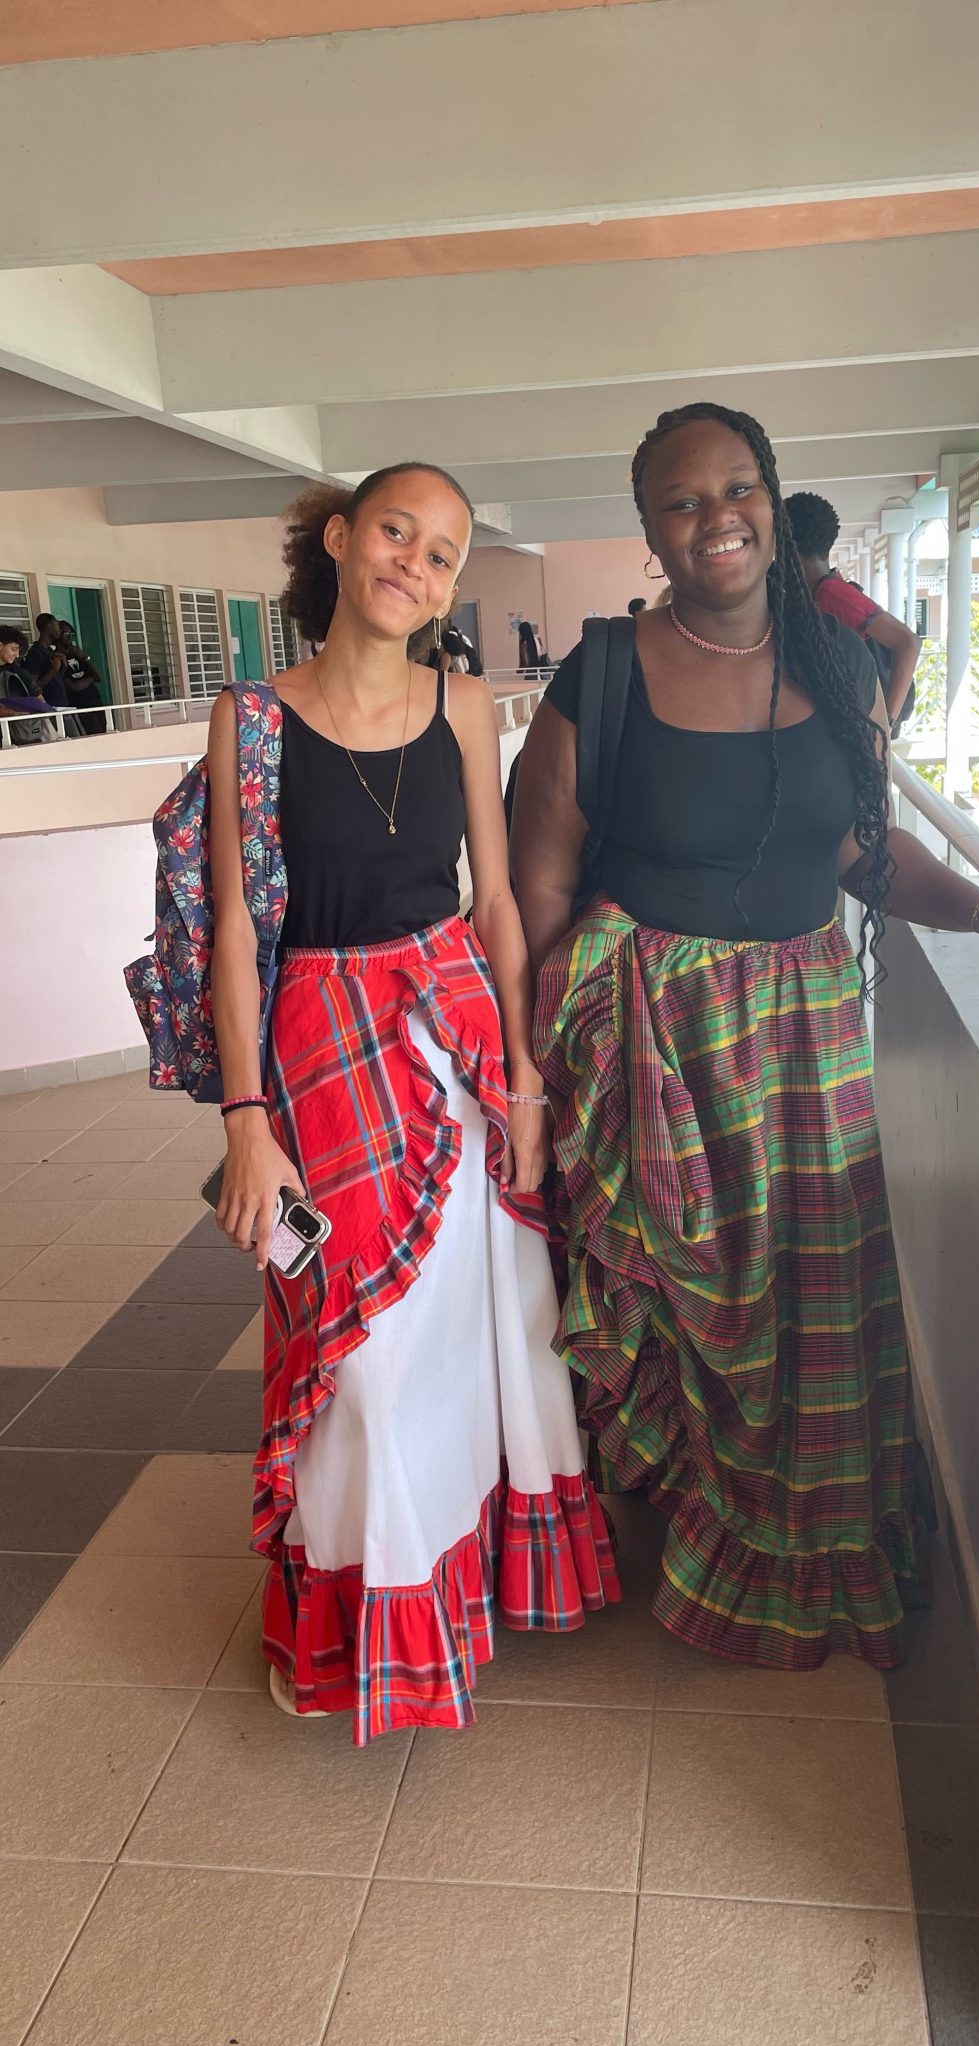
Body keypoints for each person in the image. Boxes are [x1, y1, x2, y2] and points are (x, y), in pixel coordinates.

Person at [511, 399, 979, 1677]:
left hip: (806, 1029)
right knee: (681, 1290)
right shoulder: (602, 673)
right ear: (652, 531)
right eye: (682, 501)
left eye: (737, 489)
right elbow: (540, 879)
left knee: (813, 1289)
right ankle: (695, 1514)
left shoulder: (837, 664)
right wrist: (538, 1070)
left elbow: (856, 850)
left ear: (774, 503)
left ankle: (806, 1536)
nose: (715, 517)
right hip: (652, 1033)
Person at [206, 462, 617, 1743]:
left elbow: (492, 899)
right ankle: (355, 1613)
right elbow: (236, 928)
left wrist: (526, 1078)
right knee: (360, 1351)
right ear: (338, 538)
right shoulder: (249, 719)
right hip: (319, 1045)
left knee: (483, 1328)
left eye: (442, 554)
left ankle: (465, 1578)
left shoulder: (466, 703)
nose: (415, 564)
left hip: (458, 1042)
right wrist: (245, 1120)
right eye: (397, 531)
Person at [785, 491, 922, 726]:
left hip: (864, 717)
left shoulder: (832, 594)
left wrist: (886, 724)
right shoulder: (819, 592)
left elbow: (908, 642)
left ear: (786, 545)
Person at [0, 628, 55, 745]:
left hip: (23, 732)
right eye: (13, 649)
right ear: (0, 645)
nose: (16, 655)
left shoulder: (19, 672)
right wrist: (14, 713)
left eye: (18, 650)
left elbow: (38, 696)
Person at [57, 620, 108, 735]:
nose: (69, 637)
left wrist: (84, 657)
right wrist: (91, 679)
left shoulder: (78, 654)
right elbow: (72, 687)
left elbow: (98, 677)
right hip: (79, 706)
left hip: (95, 702)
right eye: (65, 633)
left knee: (102, 734)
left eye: (71, 633)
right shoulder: (58, 658)